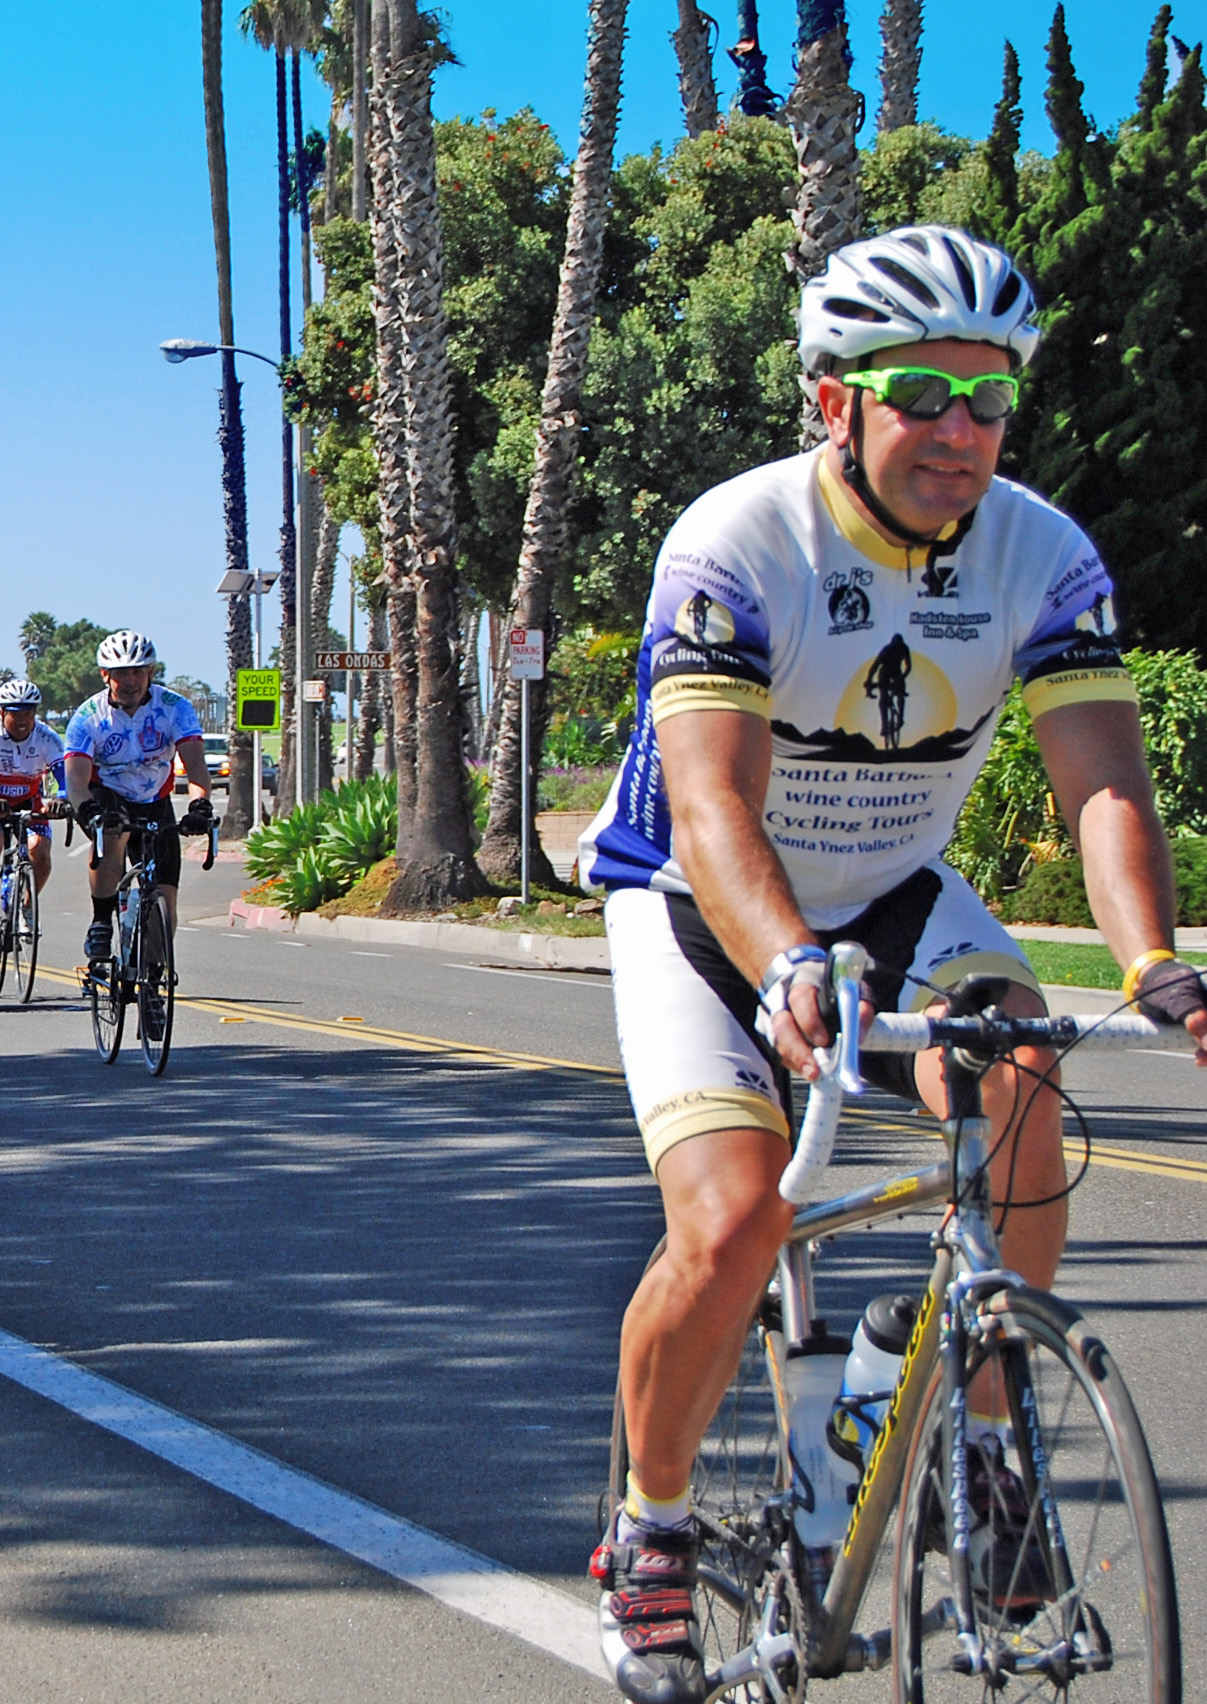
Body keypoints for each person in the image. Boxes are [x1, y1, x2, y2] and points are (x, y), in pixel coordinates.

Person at [574, 226, 1207, 1704]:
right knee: (732, 1227)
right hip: (694, 902)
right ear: (830, 401)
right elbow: (714, 803)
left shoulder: (1040, 553)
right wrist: (785, 959)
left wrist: (1157, 965)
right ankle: (650, 1530)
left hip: (896, 897)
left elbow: (1098, 780)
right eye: (918, 393)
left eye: (987, 401)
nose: (956, 434)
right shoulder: (735, 543)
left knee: (1025, 1074)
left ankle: (978, 1448)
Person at [62, 630, 214, 966]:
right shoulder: (88, 717)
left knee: (166, 896)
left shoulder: (175, 708)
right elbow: (75, 780)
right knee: (114, 832)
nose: (130, 681)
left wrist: (199, 804)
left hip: (153, 799)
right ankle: (102, 920)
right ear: (105, 676)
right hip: (105, 794)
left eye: (138, 671)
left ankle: (155, 979)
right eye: (121, 674)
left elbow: (195, 767)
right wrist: (88, 810)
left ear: (150, 673)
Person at [0, 678, 64, 953]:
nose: (23, 719)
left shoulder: (47, 737)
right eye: (16, 713)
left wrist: (62, 798)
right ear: (3, 712)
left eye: (29, 712)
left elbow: (64, 774)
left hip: (29, 800)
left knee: (40, 851)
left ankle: (27, 907)